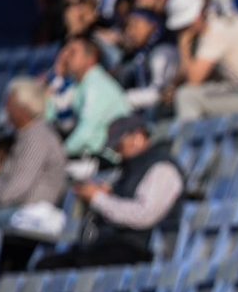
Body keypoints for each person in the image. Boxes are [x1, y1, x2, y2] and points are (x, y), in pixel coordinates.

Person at [36, 114, 184, 270]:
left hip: (136, 249)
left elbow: (144, 215)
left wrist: (97, 198)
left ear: (138, 137)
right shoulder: (131, 167)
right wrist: (109, 192)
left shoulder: (162, 168)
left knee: (61, 267)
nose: (116, 152)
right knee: (47, 264)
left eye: (119, 145)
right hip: (110, 244)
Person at [164, 0, 238, 119]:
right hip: (234, 90)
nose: (183, 31)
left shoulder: (215, 33)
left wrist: (183, 46)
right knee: (183, 94)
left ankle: (186, 138)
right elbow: (184, 74)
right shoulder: (204, 36)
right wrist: (173, 87)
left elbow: (193, 79)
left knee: (187, 97)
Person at [0, 79, 67, 233]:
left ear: (23, 108)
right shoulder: (24, 134)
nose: (6, 109)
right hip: (14, 208)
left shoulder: (37, 136)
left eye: (9, 104)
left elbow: (10, 192)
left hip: (28, 213)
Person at [45, 36, 132, 160]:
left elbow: (86, 133)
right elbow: (50, 118)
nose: (66, 57)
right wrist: (58, 76)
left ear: (90, 59)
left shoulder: (97, 84)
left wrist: (56, 156)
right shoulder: (78, 85)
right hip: (92, 157)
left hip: (110, 159)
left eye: (73, 52)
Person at [116, 7, 179, 111]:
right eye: (127, 26)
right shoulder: (139, 56)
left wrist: (124, 99)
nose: (129, 31)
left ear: (152, 25)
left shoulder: (163, 52)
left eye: (134, 25)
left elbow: (159, 93)